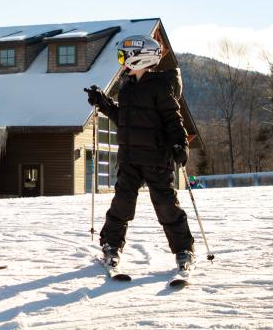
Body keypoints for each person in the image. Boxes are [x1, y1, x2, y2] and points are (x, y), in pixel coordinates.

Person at [84, 34, 196, 273]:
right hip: (130, 158)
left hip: (156, 158)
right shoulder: (127, 88)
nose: (121, 61)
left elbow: (172, 118)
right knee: (122, 204)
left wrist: (180, 143)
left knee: (166, 205)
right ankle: (111, 245)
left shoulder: (160, 86)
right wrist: (103, 103)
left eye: (124, 56)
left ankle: (184, 249)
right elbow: (123, 119)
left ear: (140, 58)